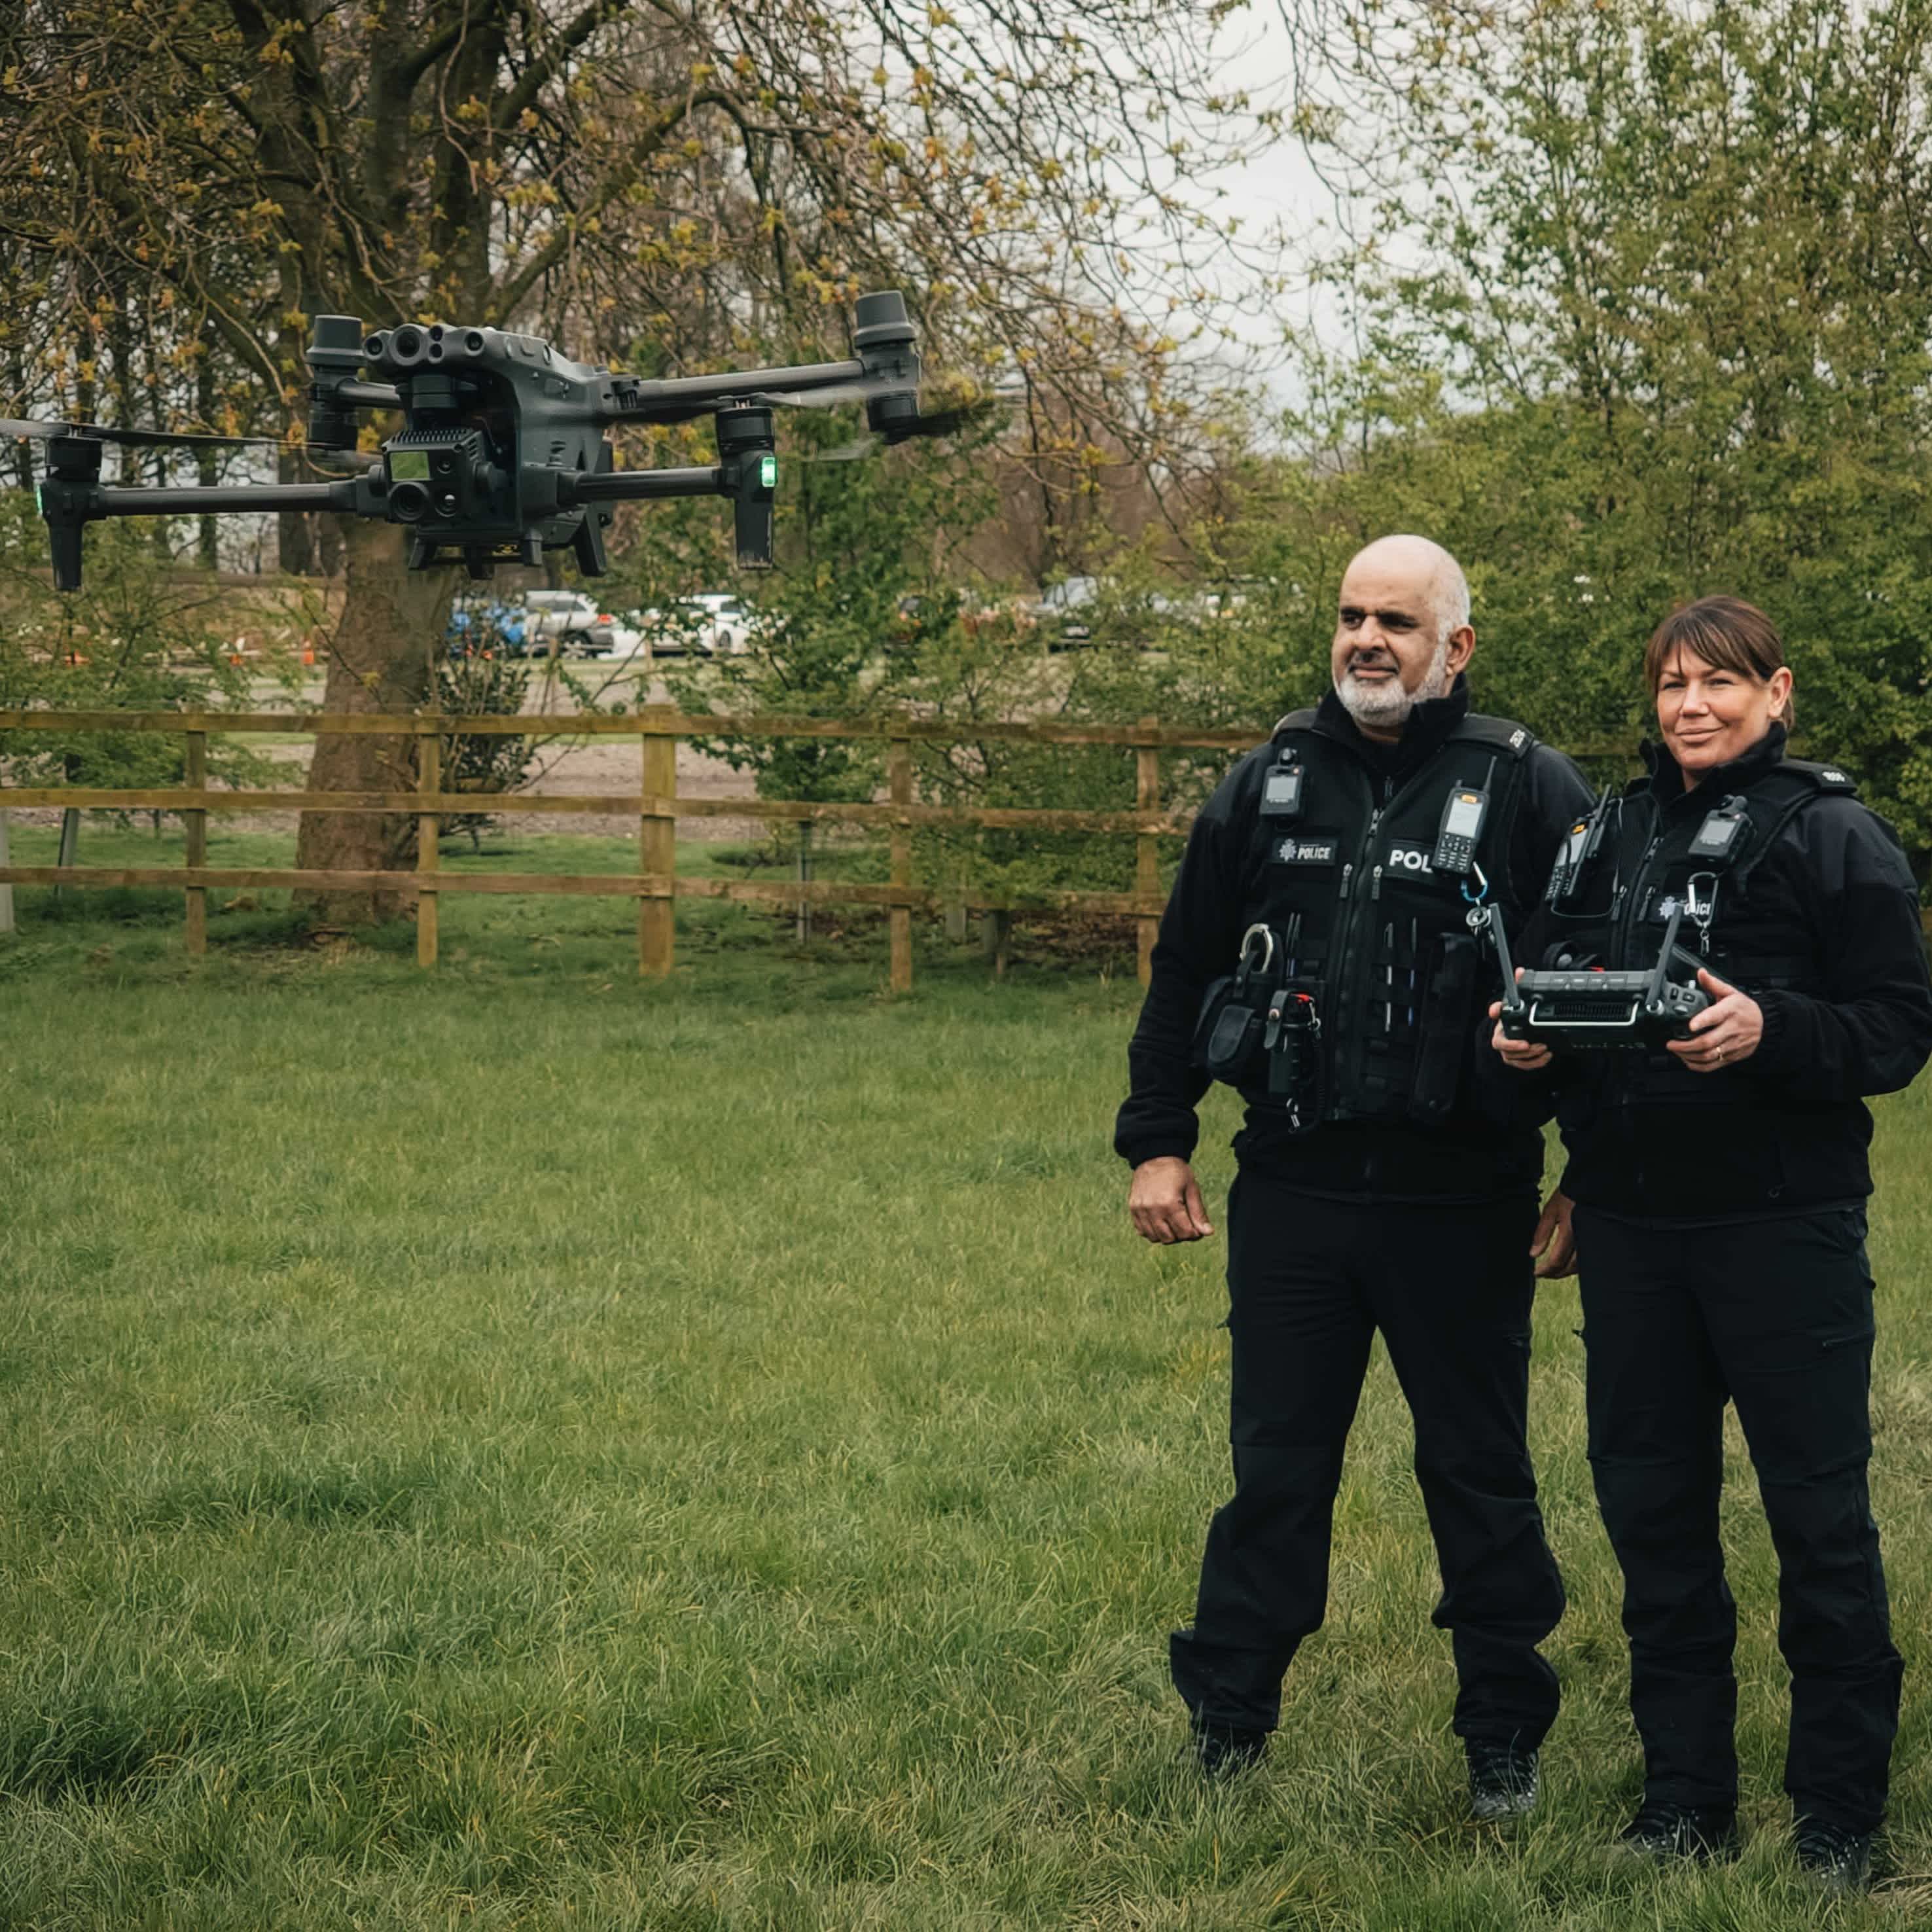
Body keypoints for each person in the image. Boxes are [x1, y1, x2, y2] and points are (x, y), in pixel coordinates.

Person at [1116, 534, 1594, 1817]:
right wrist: (1158, 1138)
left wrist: (1586, 1175)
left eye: (1396, 620)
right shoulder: (1267, 782)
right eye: (1350, 616)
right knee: (1277, 1472)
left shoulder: (1533, 788)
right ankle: (1229, 1725)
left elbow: (1596, 997)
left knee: (1479, 1475)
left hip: (1464, 1199)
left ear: (1457, 647)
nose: (1366, 641)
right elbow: (1183, 972)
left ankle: (1504, 1739)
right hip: (1296, 1194)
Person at [1491, 595, 1932, 1891]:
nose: (1692, 705)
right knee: (1653, 1519)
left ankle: (1840, 1817)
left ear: (1777, 693)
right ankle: (1685, 1800)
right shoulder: (1604, 834)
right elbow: (1559, 995)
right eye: (1674, 683)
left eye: (1720, 684)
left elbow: (1899, 1030)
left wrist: (1772, 1033)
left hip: (1781, 1230)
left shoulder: (1837, 835)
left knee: (1818, 1521)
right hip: (1630, 1235)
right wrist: (1524, 1051)